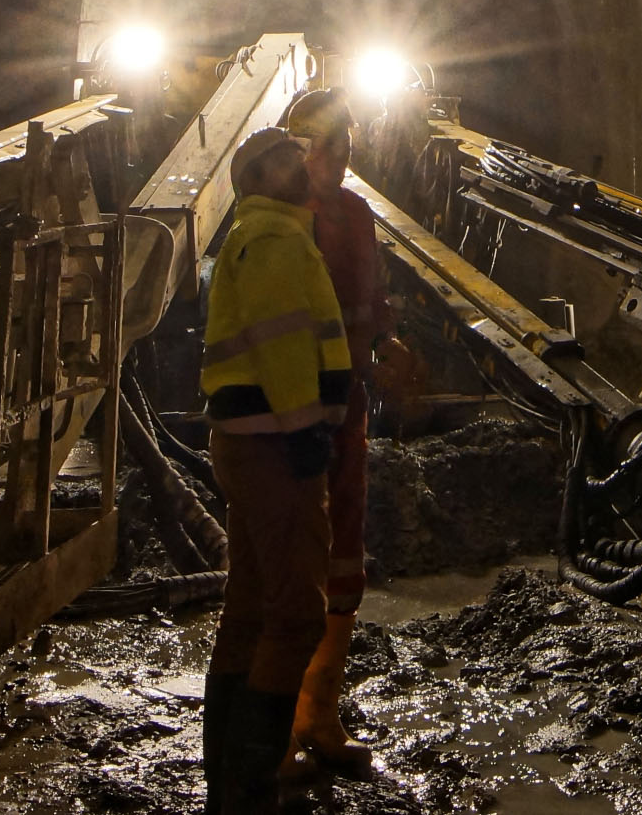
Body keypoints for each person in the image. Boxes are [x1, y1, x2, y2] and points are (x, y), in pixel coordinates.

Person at [197, 127, 351, 814]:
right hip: (272, 445)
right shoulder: (278, 239)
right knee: (294, 615)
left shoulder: (268, 234)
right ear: (255, 177)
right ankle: (249, 786)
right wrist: (305, 432)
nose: (302, 164)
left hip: (250, 440)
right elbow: (284, 344)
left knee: (250, 608)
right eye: (284, 158)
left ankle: (228, 783)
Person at [274, 90, 383, 779]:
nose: (336, 158)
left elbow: (368, 304)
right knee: (289, 562)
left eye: (342, 145)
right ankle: (279, 723)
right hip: (289, 414)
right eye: (321, 145)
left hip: (346, 405)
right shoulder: (278, 223)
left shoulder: (357, 216)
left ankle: (321, 710)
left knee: (345, 549)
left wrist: (388, 348)